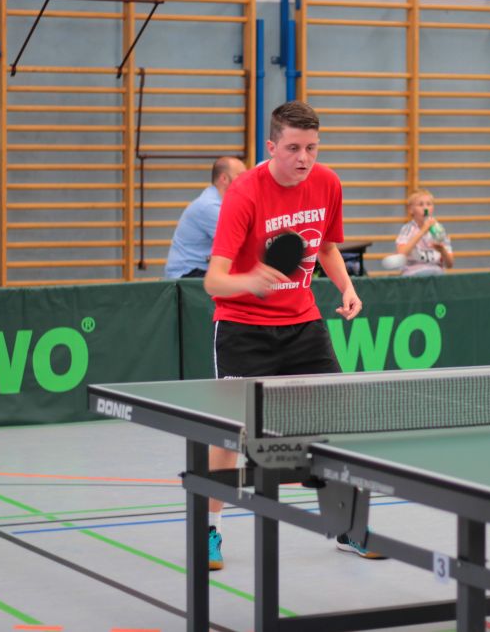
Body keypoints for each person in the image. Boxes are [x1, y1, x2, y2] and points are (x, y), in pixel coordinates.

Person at [202, 100, 374, 570]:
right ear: (271, 146)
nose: (304, 158)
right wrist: (250, 280)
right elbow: (214, 281)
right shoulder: (244, 193)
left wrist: (347, 287)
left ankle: (348, 526)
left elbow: (326, 247)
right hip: (243, 327)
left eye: (312, 148)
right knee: (230, 431)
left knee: (340, 422)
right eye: (294, 148)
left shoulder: (327, 183)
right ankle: (210, 529)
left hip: (303, 324)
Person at [164, 157, 247, 279]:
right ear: (224, 178)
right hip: (186, 275)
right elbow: (241, 245)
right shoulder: (209, 206)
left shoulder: (225, 204)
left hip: (200, 272)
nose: (246, 181)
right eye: (241, 176)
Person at [394, 189, 454, 276]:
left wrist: (442, 250)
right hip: (413, 273)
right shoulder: (407, 229)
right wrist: (423, 231)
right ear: (411, 210)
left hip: (436, 273)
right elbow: (401, 254)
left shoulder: (439, 230)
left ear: (433, 208)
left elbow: (450, 264)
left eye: (429, 204)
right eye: (420, 205)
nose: (425, 208)